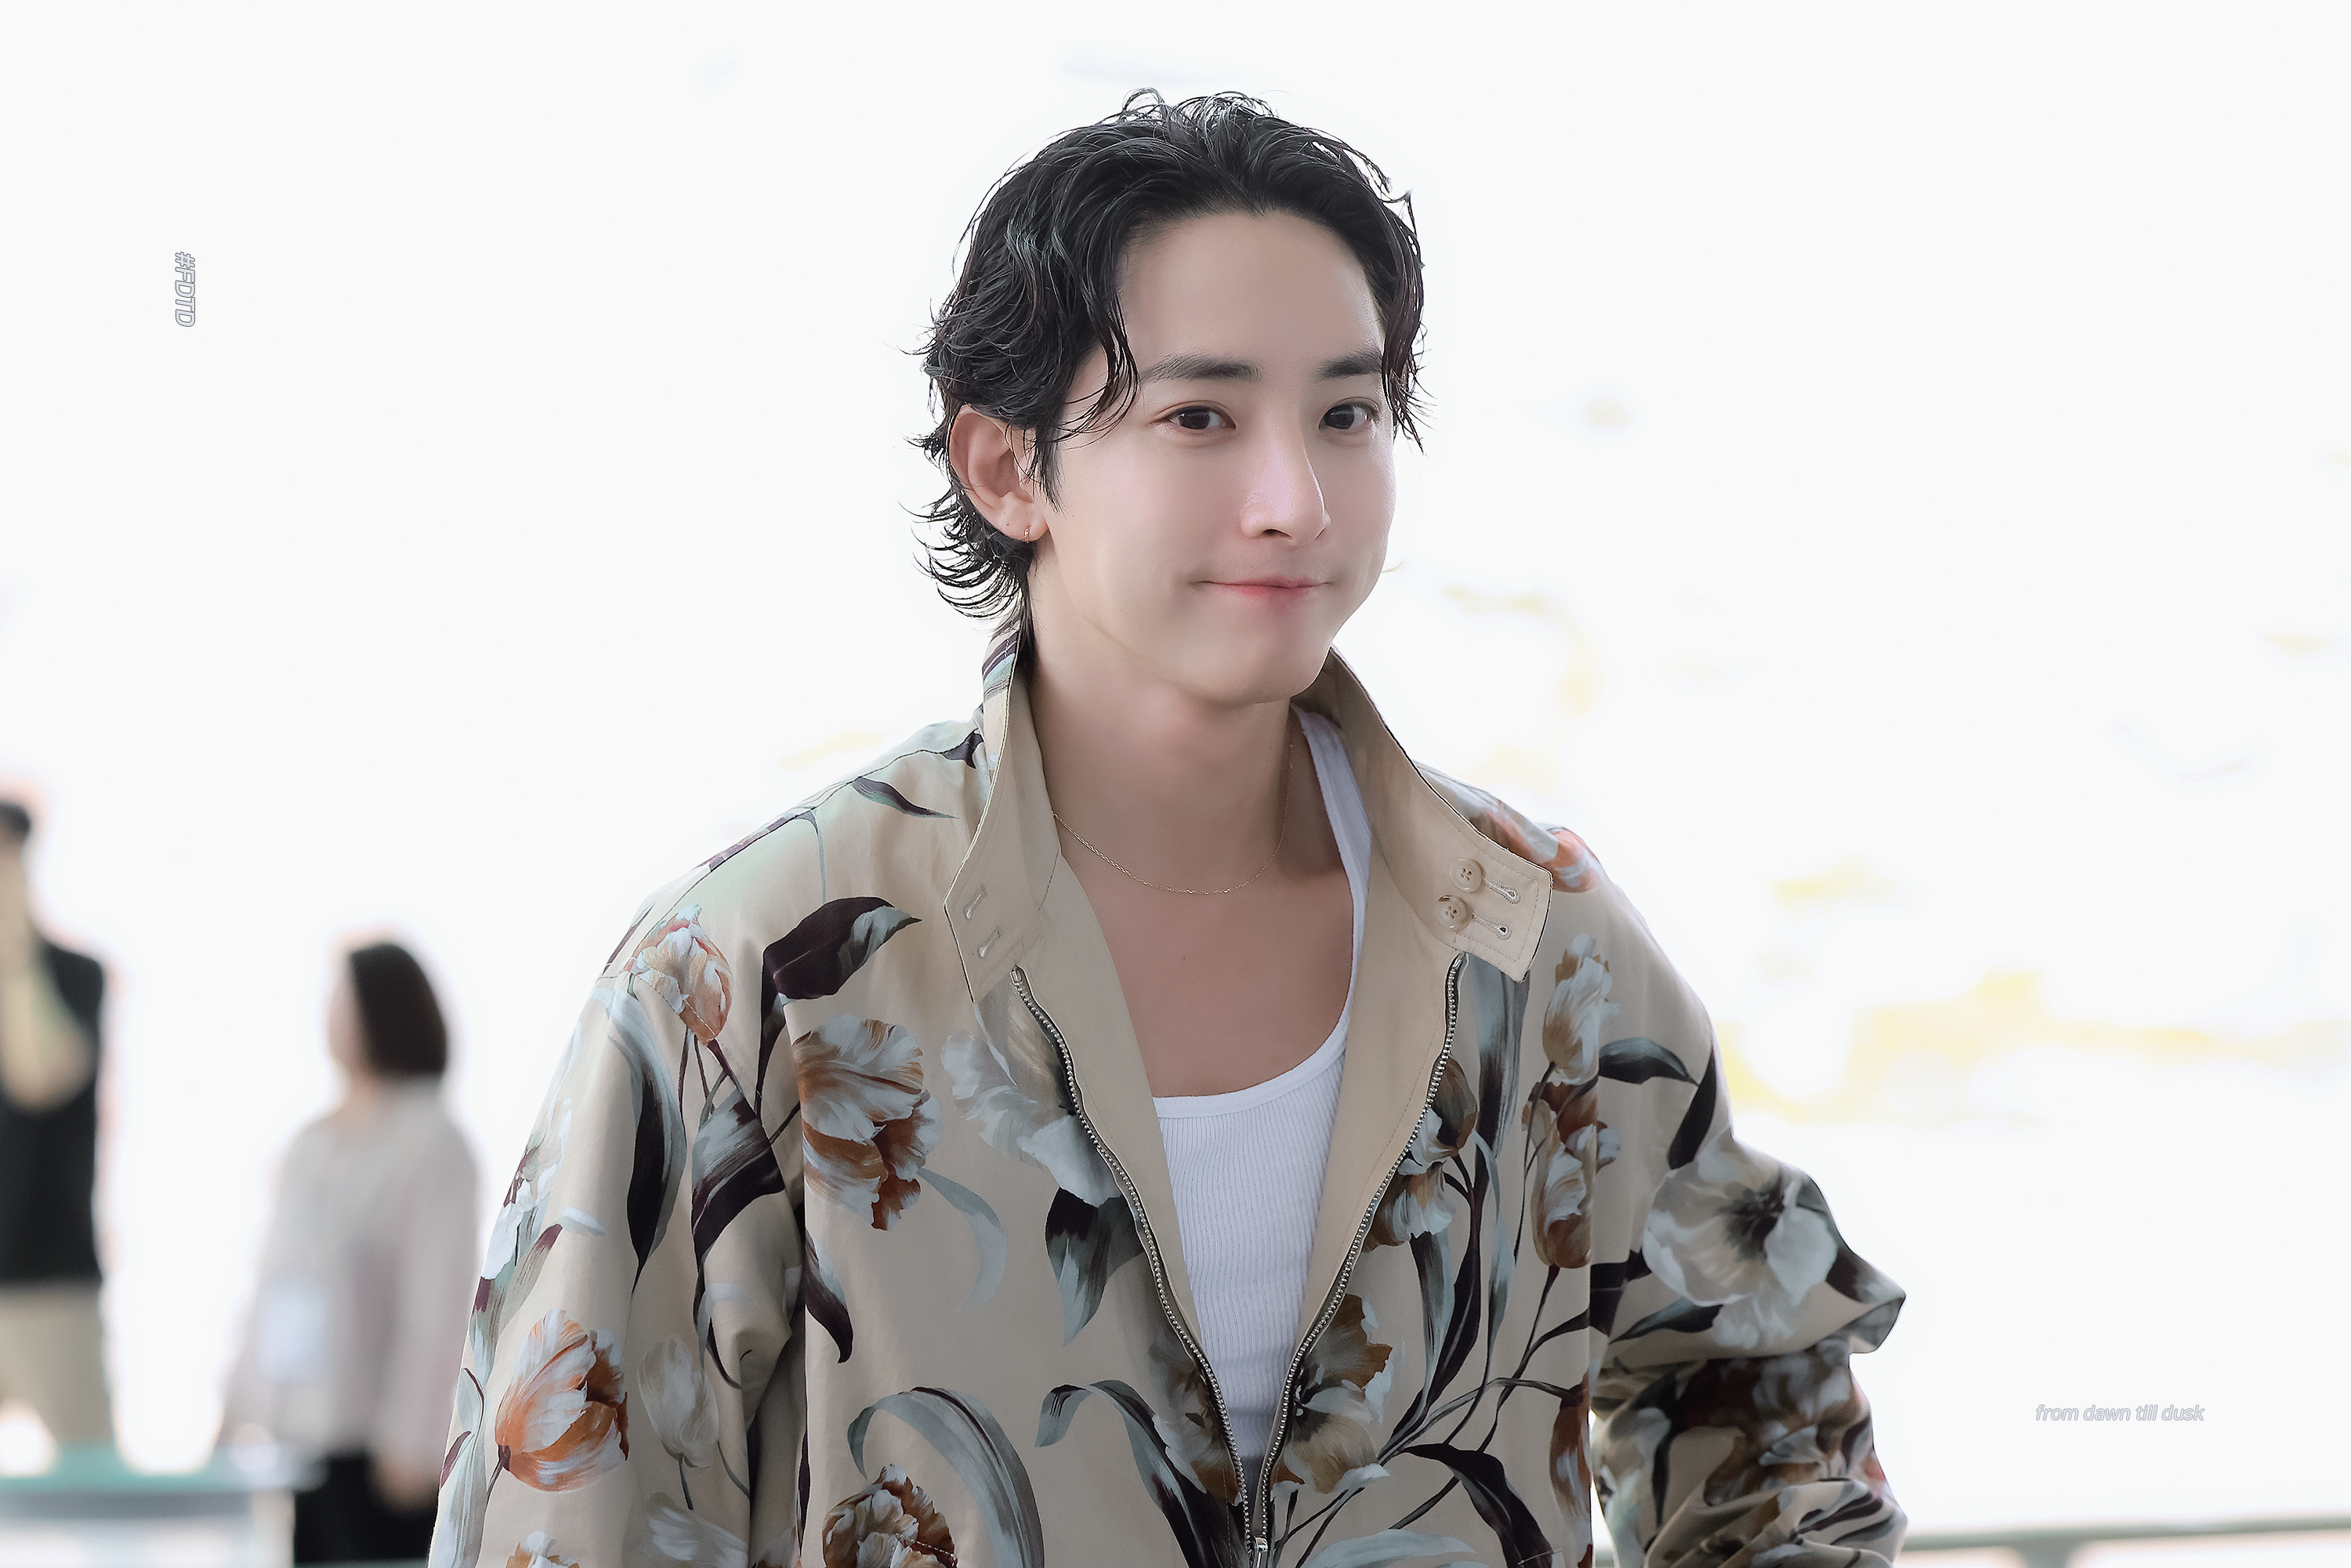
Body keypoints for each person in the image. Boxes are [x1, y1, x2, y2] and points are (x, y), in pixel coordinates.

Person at [430, 92, 1906, 1568]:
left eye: (1346, 414)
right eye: (1201, 417)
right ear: (1007, 468)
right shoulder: (763, 970)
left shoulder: (1538, 936)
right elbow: (561, 1513)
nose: (1295, 500)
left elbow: (1765, 1389)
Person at [223, 942, 480, 1563]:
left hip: (384, 1451)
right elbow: (273, 1287)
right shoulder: (310, 1143)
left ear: (382, 1009)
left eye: (345, 997)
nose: (330, 1013)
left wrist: (415, 1439)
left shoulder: (432, 1140)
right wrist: (235, 1412)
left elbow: (439, 1302)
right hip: (302, 1440)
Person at [0, 798, 114, 1462]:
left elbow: (38, 1076)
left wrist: (16, 957)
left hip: (48, 1274)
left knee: (91, 1474)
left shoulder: (74, 974)